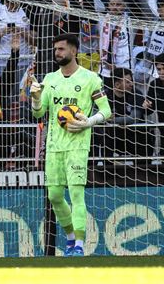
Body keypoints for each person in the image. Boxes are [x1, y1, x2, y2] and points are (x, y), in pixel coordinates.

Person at [30, 33, 112, 257]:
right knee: (55, 196)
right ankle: (69, 238)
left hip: (78, 145)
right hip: (54, 145)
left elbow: (106, 111)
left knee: (76, 195)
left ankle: (79, 245)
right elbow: (39, 113)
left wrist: (89, 121)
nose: (57, 53)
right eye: (55, 49)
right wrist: (36, 98)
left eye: (62, 49)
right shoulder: (50, 79)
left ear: (74, 51)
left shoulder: (90, 78)